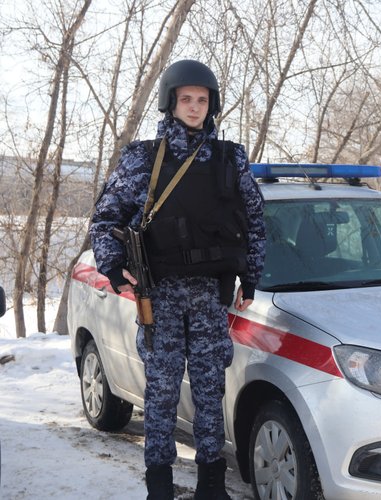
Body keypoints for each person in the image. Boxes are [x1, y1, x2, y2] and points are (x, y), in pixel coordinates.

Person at [90, 59, 265, 498]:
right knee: (162, 393)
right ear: (171, 103)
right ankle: (160, 485)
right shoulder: (143, 158)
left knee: (209, 391)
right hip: (160, 296)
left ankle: (211, 484)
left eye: (202, 100)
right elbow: (106, 219)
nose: (194, 107)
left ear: (211, 105)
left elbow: (255, 222)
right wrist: (112, 267)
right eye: (186, 99)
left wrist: (251, 277)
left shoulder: (230, 158)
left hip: (209, 296)